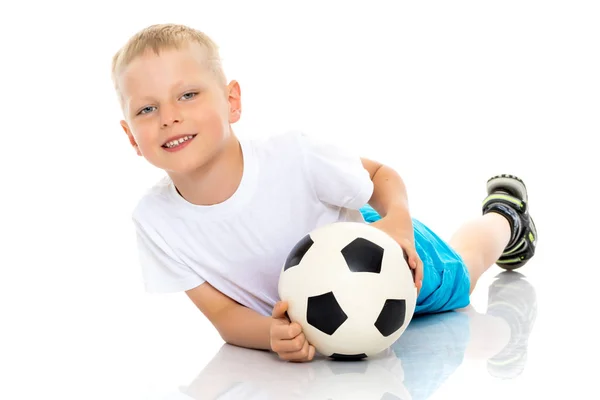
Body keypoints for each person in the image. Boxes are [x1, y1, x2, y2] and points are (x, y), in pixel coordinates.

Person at [111, 23, 538, 363]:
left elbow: (382, 175)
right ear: (131, 136)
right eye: (147, 109)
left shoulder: (292, 156)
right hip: (327, 306)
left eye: (187, 95)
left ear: (231, 101)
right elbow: (223, 315)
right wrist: (271, 335)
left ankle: (505, 218)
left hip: (377, 253)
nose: (169, 117)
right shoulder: (156, 221)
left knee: (465, 265)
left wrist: (398, 224)